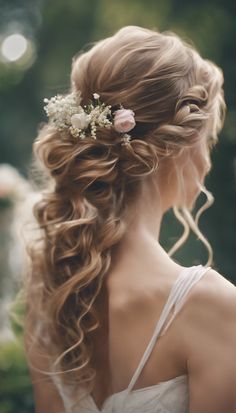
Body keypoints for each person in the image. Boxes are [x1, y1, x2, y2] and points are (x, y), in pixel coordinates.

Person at [22, 25, 236, 413]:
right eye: (207, 141)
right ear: (176, 147)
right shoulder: (213, 306)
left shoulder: (52, 299)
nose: (206, 161)